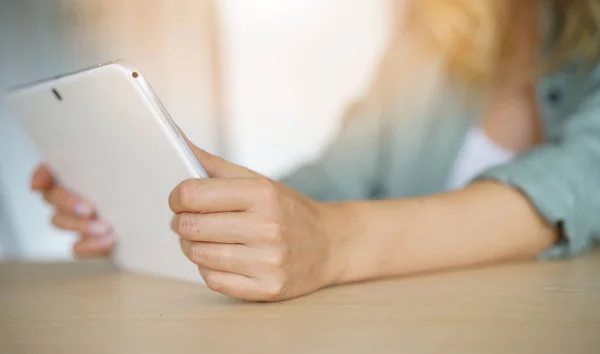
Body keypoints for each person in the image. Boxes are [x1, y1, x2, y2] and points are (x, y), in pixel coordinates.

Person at [32, 0, 600, 301]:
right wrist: (169, 202)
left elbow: (579, 178)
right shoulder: (438, 27)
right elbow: (337, 174)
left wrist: (332, 241)